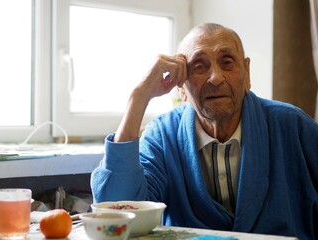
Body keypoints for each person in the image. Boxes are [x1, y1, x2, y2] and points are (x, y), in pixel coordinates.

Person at [91, 23, 318, 240]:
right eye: (199, 66)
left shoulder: (292, 125)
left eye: (227, 62)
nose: (216, 77)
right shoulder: (162, 135)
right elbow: (116, 214)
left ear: (247, 73)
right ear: (181, 87)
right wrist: (139, 97)